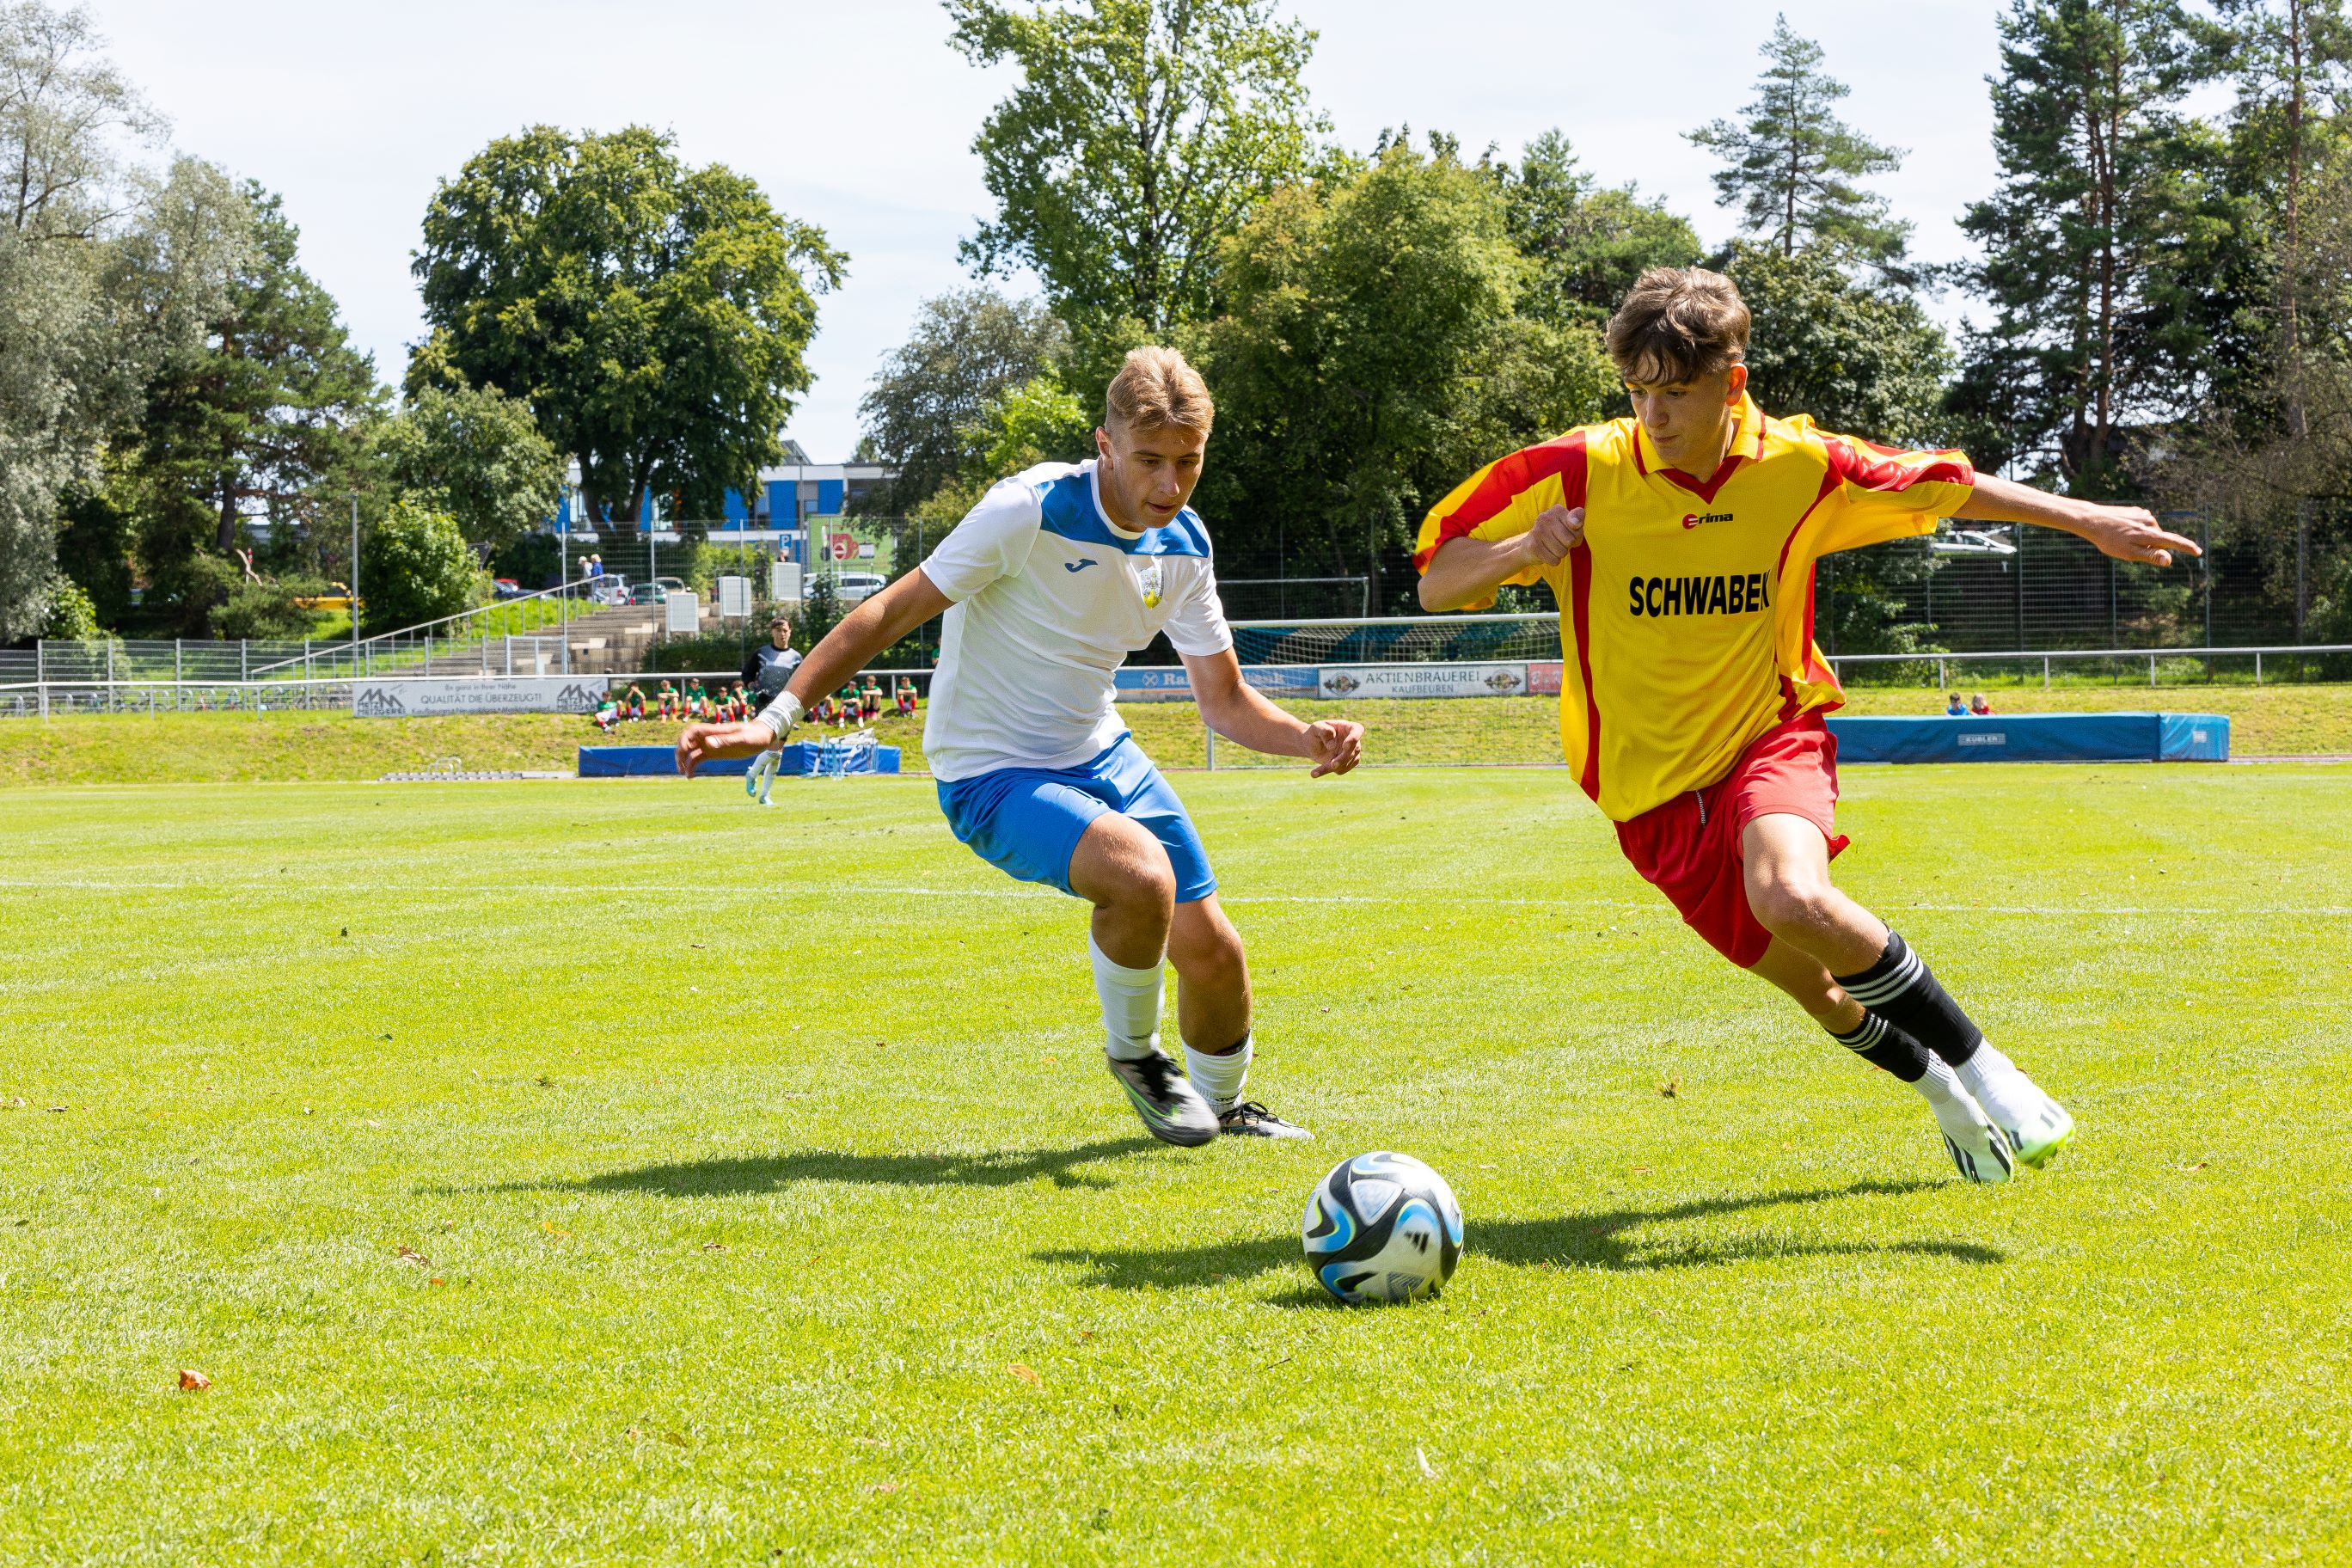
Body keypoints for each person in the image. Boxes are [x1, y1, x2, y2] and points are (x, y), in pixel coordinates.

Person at [1417, 266, 2201, 1184]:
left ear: (1731, 381)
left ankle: (1993, 1072)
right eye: (1637, 392)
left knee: (1789, 896)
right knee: (1814, 987)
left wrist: (2089, 518)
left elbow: (1945, 482)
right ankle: (1943, 1092)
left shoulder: (1800, 466)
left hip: (1769, 733)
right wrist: (1526, 547)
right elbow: (1437, 577)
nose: (1653, 415)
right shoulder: (1570, 472)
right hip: (1644, 790)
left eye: (1674, 392)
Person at [678, 346, 1364, 1144]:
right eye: (1149, 460)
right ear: (1105, 445)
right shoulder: (1027, 510)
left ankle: (1228, 1108)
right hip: (991, 771)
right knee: (1141, 877)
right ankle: (1137, 1059)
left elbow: (1223, 698)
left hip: (1099, 750)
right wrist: (778, 718)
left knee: (1215, 954)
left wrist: (1304, 736)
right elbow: (889, 614)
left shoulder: (1186, 546)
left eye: (1188, 462)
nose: (1169, 486)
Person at [744, 616, 802, 707]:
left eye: (785, 630)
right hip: (763, 705)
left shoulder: (796, 657)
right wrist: (757, 691)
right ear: (772, 632)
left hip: (786, 705)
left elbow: (801, 682)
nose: (782, 634)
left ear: (790, 631)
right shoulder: (761, 653)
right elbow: (747, 675)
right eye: (778, 630)